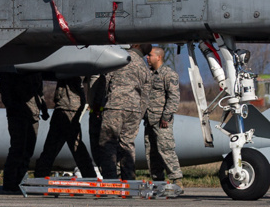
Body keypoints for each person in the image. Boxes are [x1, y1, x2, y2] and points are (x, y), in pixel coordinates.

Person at [98, 45, 150, 180]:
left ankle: (110, 182)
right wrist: (139, 113)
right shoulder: (144, 67)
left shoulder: (119, 58)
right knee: (127, 145)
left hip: (115, 106)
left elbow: (106, 81)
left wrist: (101, 104)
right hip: (134, 109)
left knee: (108, 143)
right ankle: (129, 181)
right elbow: (145, 94)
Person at [34, 75, 99, 178]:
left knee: (61, 146)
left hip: (66, 106)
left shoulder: (74, 68)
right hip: (68, 106)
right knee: (67, 145)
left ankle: (40, 176)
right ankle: (90, 176)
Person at [0, 72, 48, 193]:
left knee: (28, 150)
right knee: (18, 149)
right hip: (18, 115)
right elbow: (4, 90)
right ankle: (10, 183)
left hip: (33, 115)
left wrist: (43, 108)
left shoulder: (36, 70)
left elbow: (39, 91)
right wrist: (12, 107)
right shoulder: (12, 69)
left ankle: (20, 181)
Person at [143, 46, 184, 184]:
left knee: (166, 150)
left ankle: (177, 180)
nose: (147, 58)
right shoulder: (148, 74)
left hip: (162, 121)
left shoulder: (168, 74)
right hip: (149, 119)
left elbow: (174, 97)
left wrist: (166, 116)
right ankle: (157, 181)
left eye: (150, 55)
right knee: (151, 153)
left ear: (158, 57)